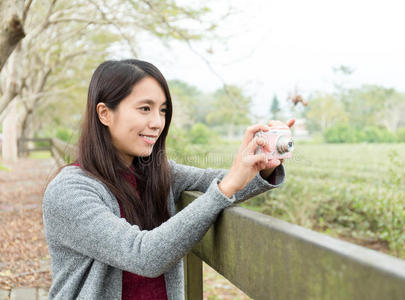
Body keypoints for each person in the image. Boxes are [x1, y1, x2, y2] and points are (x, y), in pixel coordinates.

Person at [42, 59, 294, 300]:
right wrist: (225, 188)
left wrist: (261, 162)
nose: (157, 122)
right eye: (145, 109)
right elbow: (143, 255)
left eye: (162, 111)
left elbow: (227, 182)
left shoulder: (159, 174)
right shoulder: (69, 191)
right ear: (105, 113)